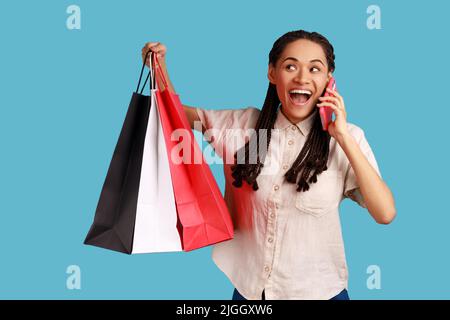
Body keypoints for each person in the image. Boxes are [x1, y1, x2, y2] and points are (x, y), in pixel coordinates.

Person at [141, 29, 396, 300]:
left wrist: (343, 136)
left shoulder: (347, 139)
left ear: (328, 81)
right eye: (290, 66)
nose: (302, 77)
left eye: (314, 69)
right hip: (252, 293)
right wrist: (158, 67)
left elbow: (385, 213)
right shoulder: (244, 129)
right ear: (272, 73)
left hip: (321, 293)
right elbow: (175, 118)